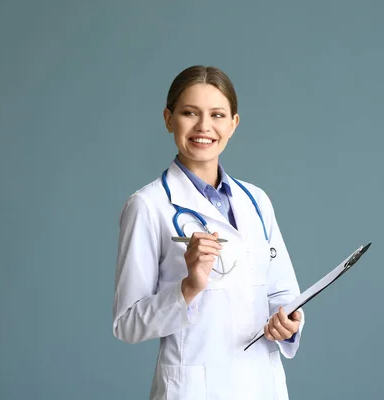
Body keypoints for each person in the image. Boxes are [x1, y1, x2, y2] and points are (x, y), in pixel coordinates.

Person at [112, 65, 304, 400]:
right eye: (190, 113)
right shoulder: (148, 205)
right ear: (168, 119)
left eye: (217, 114)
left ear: (234, 124)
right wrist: (188, 288)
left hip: (262, 385)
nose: (204, 127)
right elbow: (127, 324)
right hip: (194, 390)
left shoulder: (256, 201)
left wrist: (288, 324)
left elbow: (283, 295)